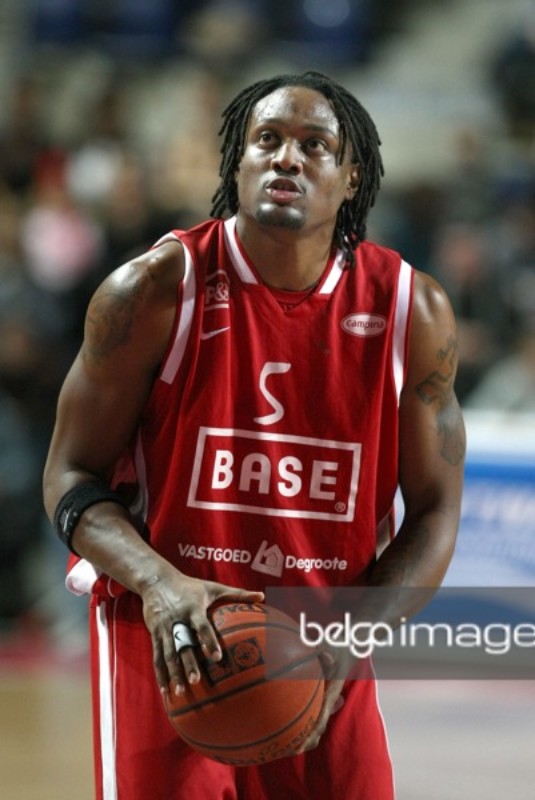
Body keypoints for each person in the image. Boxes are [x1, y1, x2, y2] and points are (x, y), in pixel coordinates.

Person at [43, 71, 466, 800]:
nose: (286, 157)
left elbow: (435, 512)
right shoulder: (152, 291)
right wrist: (158, 584)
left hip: (322, 642)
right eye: (266, 139)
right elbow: (69, 475)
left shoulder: (410, 310)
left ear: (351, 177)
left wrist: (353, 633)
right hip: (171, 639)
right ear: (236, 163)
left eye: (314, 145)